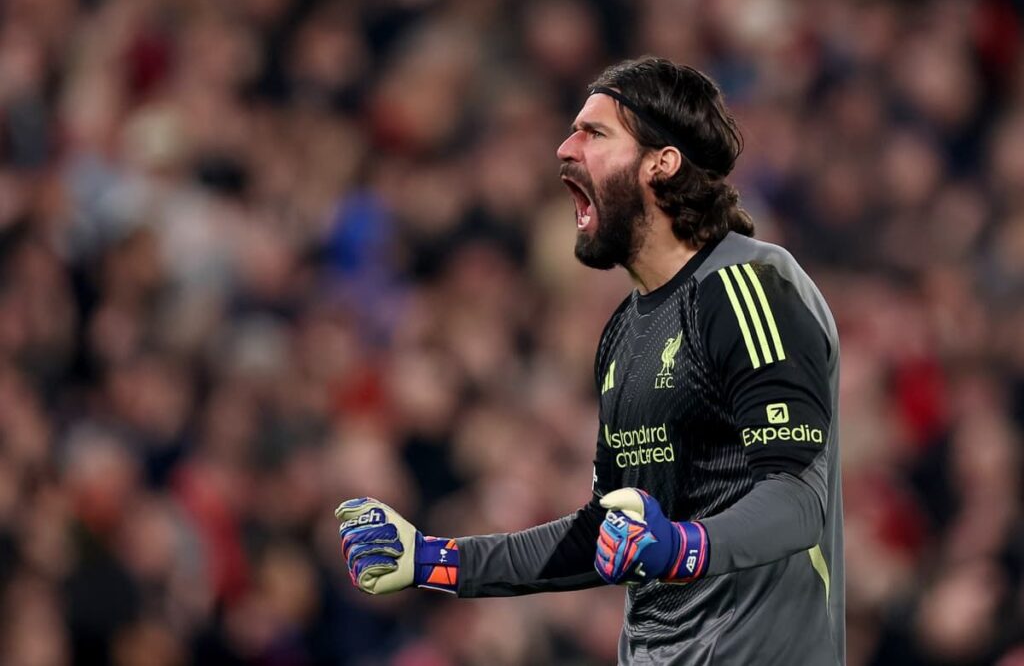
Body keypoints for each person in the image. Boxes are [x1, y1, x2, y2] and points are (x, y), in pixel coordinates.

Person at [336, 56, 844, 665]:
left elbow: (795, 501)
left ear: (662, 163)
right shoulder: (623, 333)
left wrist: (679, 546)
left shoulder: (751, 286)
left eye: (594, 133)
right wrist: (432, 561)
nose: (564, 147)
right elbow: (600, 535)